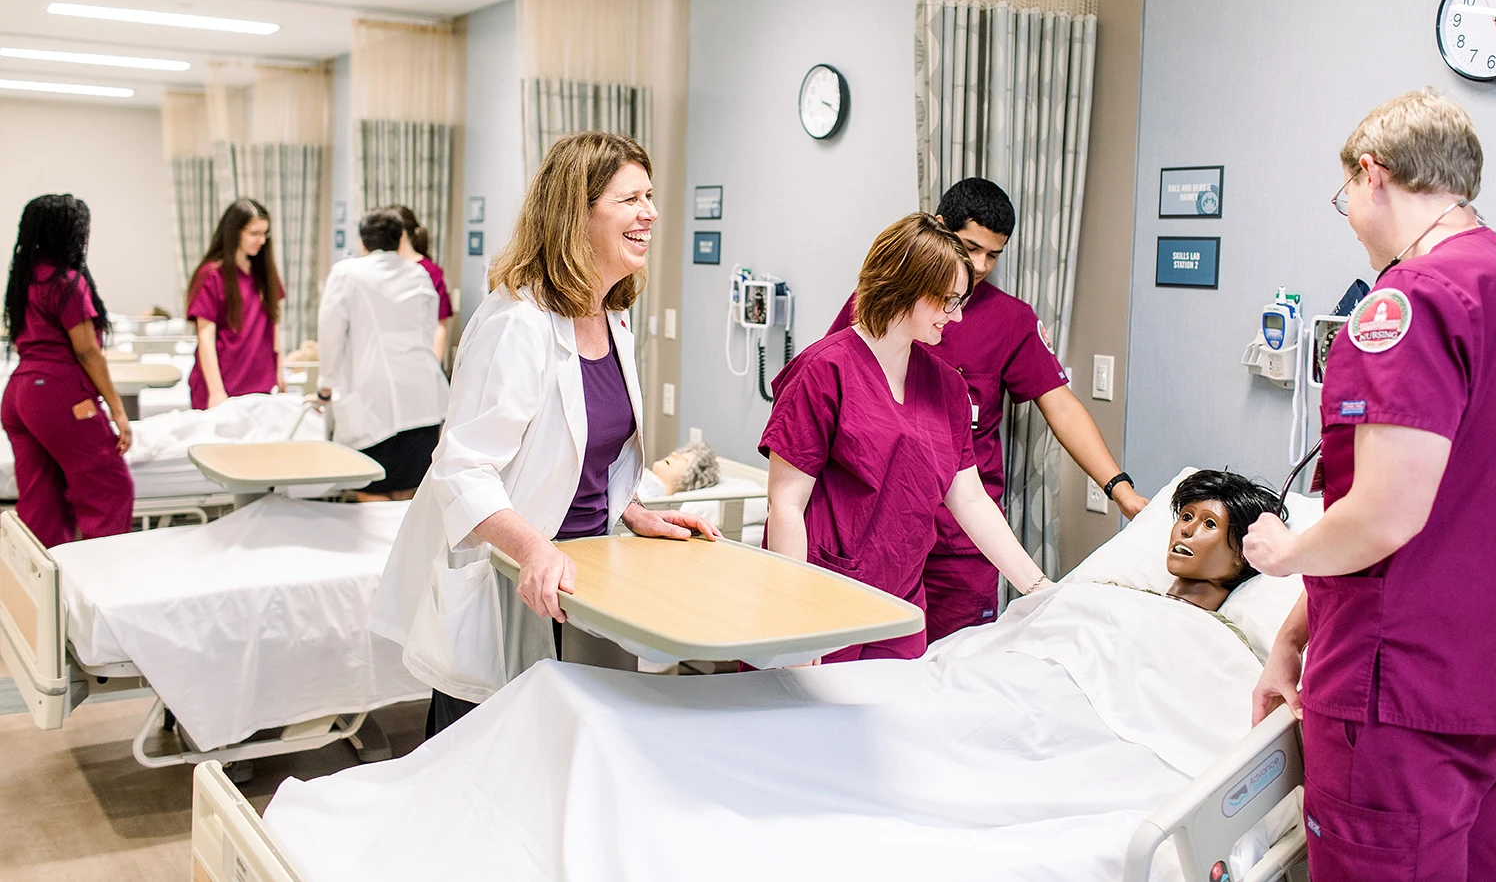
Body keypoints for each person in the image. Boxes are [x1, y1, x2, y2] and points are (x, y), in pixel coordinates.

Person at [1243, 90, 1496, 881]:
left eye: (1345, 199)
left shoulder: (1409, 299)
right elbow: (1449, 518)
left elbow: (1384, 513)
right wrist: (1293, 632)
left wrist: (1284, 550)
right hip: (1490, 688)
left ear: (1371, 173)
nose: (1350, 218)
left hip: (1399, 706)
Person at [372, 132, 719, 738]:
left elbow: (591, 457)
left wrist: (633, 511)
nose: (651, 213)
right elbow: (462, 469)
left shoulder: (613, 318)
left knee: (574, 758)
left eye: (650, 196)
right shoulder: (518, 323)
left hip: (590, 581)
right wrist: (533, 548)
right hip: (513, 580)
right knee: (486, 770)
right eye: (630, 199)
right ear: (576, 215)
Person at [825, 178, 1149, 642]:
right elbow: (824, 405)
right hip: (876, 529)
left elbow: (1059, 404)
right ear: (937, 230)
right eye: (970, 247)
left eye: (993, 255)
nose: (979, 266)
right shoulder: (877, 309)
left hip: (962, 540)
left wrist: (1119, 489)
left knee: (953, 670)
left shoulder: (1009, 320)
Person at [762, 213, 1052, 662]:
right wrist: (796, 623)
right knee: (804, 725)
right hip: (821, 596)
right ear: (908, 286)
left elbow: (972, 501)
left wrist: (1039, 590)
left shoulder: (947, 386)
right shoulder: (825, 371)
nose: (956, 317)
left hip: (899, 604)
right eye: (949, 301)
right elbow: (785, 505)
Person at [1, 195, 134, 546]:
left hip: (20, 394)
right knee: (109, 488)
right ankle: (102, 582)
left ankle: (41, 591)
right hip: (57, 393)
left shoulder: (26, 278)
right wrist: (118, 412)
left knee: (41, 499)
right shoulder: (66, 281)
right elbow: (88, 352)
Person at [315, 208, 450, 501]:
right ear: (400, 238)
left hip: (373, 400)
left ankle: (381, 547)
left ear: (363, 242)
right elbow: (428, 330)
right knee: (407, 491)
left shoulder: (347, 273)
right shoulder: (419, 274)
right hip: (423, 399)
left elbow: (330, 334)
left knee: (369, 485)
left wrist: (325, 386)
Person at [185, 198, 284, 410]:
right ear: (234, 232)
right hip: (223, 383)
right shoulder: (212, 276)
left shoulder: (264, 274)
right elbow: (206, 336)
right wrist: (216, 391)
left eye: (264, 234)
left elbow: (274, 323)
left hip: (259, 384)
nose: (261, 240)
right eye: (254, 234)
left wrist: (279, 368)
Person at [1158, 469, 1272, 612]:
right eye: (1186, 517)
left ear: (1243, 553)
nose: (1186, 530)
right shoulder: (1131, 599)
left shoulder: (1211, 632)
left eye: (1209, 524)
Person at [390, 205, 453, 363]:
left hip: (418, 359)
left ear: (402, 233)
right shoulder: (385, 269)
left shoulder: (431, 272)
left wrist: (434, 366)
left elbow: (441, 325)